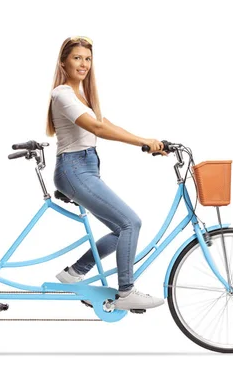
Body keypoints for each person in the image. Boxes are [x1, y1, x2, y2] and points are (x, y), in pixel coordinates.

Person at [46, 36, 167, 310]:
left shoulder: (82, 96)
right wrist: (142, 142)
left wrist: (147, 140)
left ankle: (74, 273)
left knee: (120, 229)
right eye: (77, 58)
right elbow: (98, 129)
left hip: (85, 167)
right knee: (130, 223)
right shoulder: (62, 94)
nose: (83, 64)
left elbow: (105, 123)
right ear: (63, 61)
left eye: (87, 59)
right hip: (73, 169)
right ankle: (127, 291)